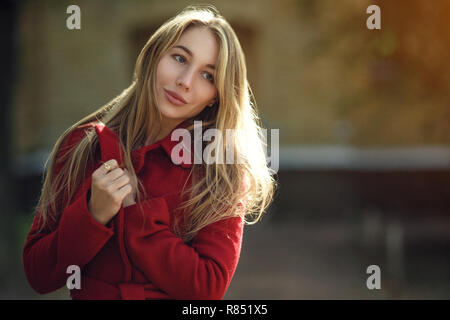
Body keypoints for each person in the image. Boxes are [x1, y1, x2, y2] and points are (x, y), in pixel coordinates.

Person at [22, 4, 276, 300]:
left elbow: (207, 289)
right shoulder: (81, 146)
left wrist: (137, 215)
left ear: (215, 96)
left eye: (207, 76)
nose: (185, 81)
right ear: (155, 55)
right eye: (179, 58)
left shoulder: (219, 169)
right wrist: (91, 215)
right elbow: (38, 274)